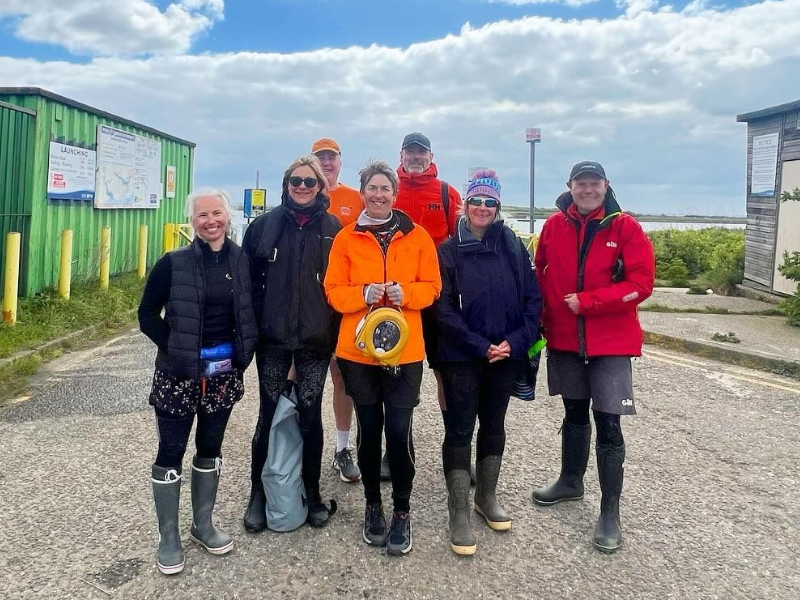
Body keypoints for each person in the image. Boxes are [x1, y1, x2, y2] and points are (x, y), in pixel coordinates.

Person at [531, 161, 655, 553]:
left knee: (609, 424)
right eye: (581, 183)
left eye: (594, 183)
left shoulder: (626, 227)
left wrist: (589, 302)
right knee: (573, 413)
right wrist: (537, 320)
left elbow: (642, 284)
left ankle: (609, 511)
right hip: (565, 339)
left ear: (606, 186)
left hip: (610, 343)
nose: (588, 189)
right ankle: (570, 481)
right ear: (570, 186)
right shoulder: (553, 226)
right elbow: (539, 273)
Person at [138, 188, 258, 575]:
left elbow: (249, 309)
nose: (211, 221)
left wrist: (244, 352)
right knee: (170, 450)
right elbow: (146, 315)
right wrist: (175, 349)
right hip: (178, 374)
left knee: (210, 447)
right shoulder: (171, 263)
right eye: (203, 215)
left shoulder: (241, 260)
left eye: (217, 213)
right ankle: (169, 537)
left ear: (228, 216)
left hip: (223, 374)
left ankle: (202, 525)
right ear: (192, 221)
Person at [324, 160, 441, 556]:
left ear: (394, 194)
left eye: (384, 189)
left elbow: (433, 287)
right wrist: (363, 294)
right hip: (359, 352)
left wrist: (404, 293)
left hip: (404, 351)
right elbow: (333, 291)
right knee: (369, 432)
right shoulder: (345, 239)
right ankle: (373, 507)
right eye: (371, 188)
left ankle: (402, 512)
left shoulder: (418, 236)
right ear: (363, 193)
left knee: (399, 432)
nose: (378, 195)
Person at [435, 170, 541, 555]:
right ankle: (459, 511)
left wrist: (514, 343)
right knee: (461, 428)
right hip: (463, 354)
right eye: (475, 201)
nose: (482, 208)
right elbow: (442, 309)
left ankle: (487, 497)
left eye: (489, 202)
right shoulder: (448, 251)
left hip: (507, 354)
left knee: (494, 424)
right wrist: (480, 345)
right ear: (465, 204)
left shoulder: (513, 245)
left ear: (498, 207)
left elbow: (533, 300)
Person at [242, 155, 342, 532]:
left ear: (321, 186)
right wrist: (250, 334)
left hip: (316, 339)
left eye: (309, 182)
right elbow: (248, 285)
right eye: (295, 181)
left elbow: (342, 286)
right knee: (268, 413)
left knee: (310, 415)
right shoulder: (263, 226)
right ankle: (258, 494)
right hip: (273, 339)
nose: (302, 187)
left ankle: (312, 492)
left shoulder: (334, 229)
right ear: (286, 185)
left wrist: (334, 335)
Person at [392, 132, 463, 478]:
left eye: (421, 153)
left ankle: (456, 450)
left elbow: (461, 243)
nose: (416, 158)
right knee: (397, 371)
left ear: (431, 155)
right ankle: (398, 448)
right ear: (401, 154)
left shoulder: (447, 193)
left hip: (437, 297)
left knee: (445, 372)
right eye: (410, 152)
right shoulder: (389, 189)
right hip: (398, 297)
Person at [311, 138, 362, 483]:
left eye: (331, 158)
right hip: (309, 302)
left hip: (346, 301)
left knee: (343, 377)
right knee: (303, 377)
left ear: (340, 162)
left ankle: (343, 448)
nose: (326, 163)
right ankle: (301, 446)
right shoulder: (302, 192)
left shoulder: (353, 200)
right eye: (320, 158)